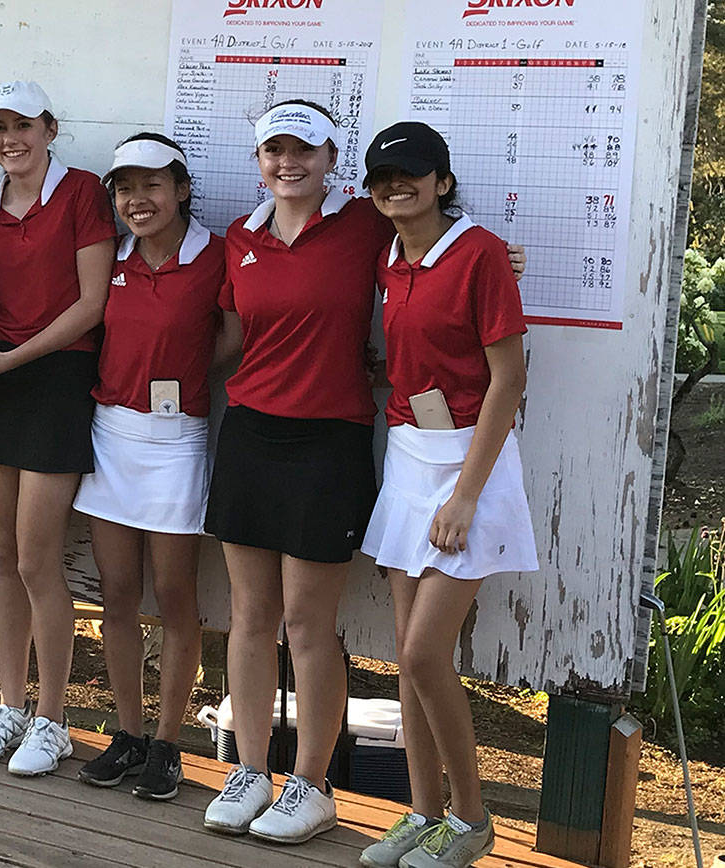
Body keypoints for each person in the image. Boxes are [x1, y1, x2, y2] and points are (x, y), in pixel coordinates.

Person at [200, 102, 526, 844]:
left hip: (330, 440)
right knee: (249, 618)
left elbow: (449, 242)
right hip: (249, 432)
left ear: (329, 159)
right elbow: (222, 335)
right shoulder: (239, 239)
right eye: (273, 150)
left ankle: (310, 785)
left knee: (309, 625)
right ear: (259, 161)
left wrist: (501, 260)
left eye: (303, 150)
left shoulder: (363, 226)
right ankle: (250, 769)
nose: (288, 163)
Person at [358, 122, 537, 868]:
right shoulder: (387, 259)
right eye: (382, 178)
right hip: (406, 458)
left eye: (411, 174)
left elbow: (509, 380)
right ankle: (422, 812)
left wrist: (466, 497)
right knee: (409, 657)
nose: (396, 187)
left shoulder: (481, 253)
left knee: (428, 652)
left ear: (442, 181)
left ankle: (472, 818)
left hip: (471, 464)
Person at [0, 81, 116, 776]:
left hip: (56, 381)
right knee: (4, 555)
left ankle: (53, 719)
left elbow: (93, 303)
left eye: (22, 125)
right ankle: (8, 707)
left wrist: (13, 357)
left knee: (40, 560)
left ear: (49, 127)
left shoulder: (80, 195)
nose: (9, 139)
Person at [72, 133, 241, 799]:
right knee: (115, 596)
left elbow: (233, 332)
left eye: (150, 186)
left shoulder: (217, 255)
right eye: (124, 189)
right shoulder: (108, 257)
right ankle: (129, 733)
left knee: (174, 600)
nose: (136, 201)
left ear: (181, 189)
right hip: (111, 435)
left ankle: (168, 744)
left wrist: (187, 372)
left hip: (176, 442)